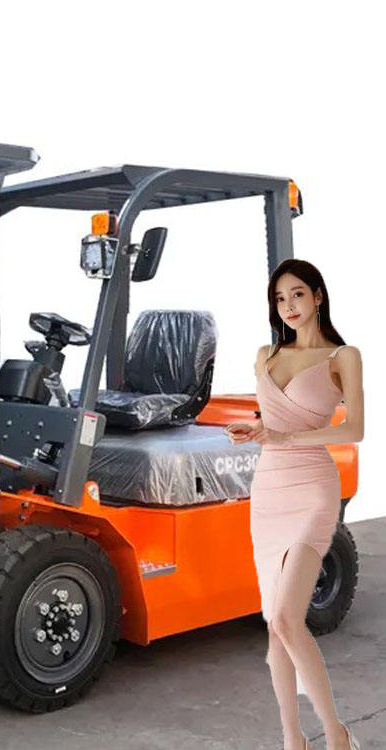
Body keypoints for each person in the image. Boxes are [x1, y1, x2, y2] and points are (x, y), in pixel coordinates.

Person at [224, 259, 364, 750]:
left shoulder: (342, 356)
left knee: (287, 618)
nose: (289, 306)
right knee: (275, 626)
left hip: (312, 490)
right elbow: (274, 423)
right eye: (280, 299)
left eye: (298, 294)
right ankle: (293, 739)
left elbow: (355, 429)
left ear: (318, 296)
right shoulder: (265, 354)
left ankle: (337, 736)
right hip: (269, 490)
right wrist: (257, 430)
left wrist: (286, 437)